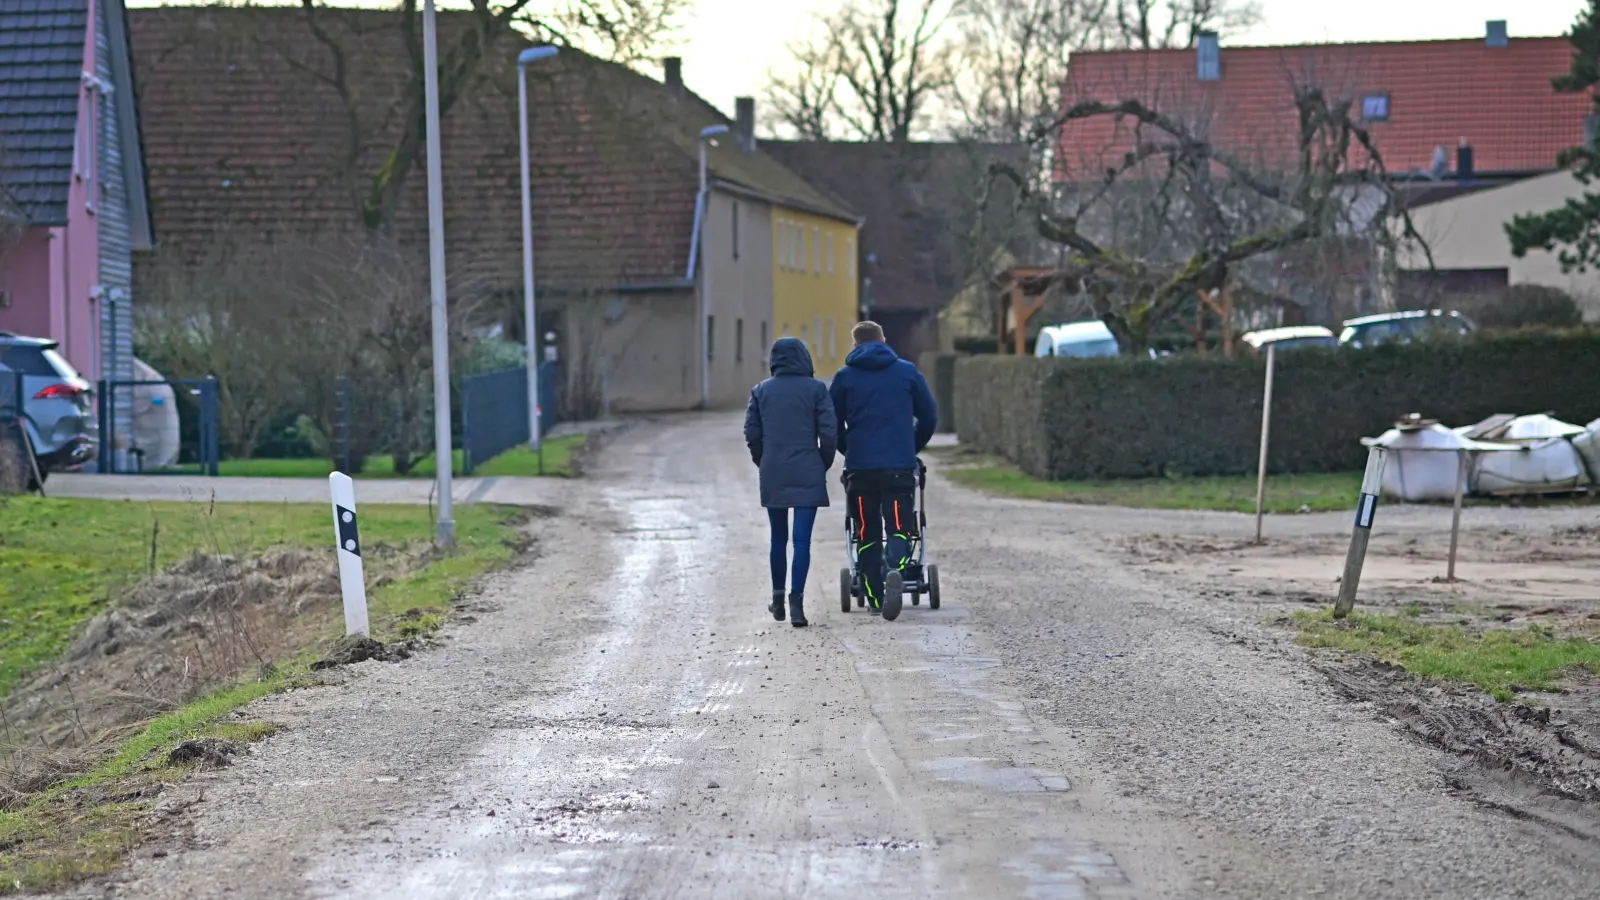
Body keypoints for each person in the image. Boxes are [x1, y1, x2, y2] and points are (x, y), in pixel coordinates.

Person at [828, 321, 937, 620]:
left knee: (866, 532)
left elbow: (830, 423)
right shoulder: (907, 372)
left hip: (861, 471)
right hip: (899, 468)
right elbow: (929, 416)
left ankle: (875, 599)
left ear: (854, 346)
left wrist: (848, 448)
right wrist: (910, 446)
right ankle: (895, 569)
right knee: (900, 527)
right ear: (884, 340)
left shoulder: (844, 377)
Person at [744, 337, 837, 627]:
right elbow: (830, 431)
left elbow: (751, 433)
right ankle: (797, 603)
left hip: (774, 471)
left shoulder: (761, 391)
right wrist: (822, 462)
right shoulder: (817, 390)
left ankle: (777, 598)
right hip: (808, 468)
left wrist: (764, 460)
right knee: (801, 541)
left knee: (778, 538)